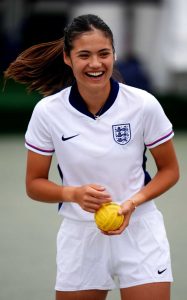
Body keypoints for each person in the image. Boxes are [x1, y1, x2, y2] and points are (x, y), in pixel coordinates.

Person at [4, 14, 179, 300]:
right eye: (84, 55)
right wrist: (74, 194)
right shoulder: (48, 113)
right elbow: (34, 184)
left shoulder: (143, 105)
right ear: (67, 58)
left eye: (103, 54)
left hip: (141, 231)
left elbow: (170, 170)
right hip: (80, 237)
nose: (96, 64)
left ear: (114, 55)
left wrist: (133, 203)